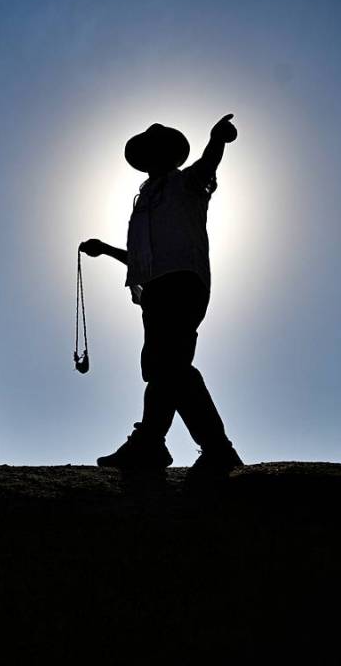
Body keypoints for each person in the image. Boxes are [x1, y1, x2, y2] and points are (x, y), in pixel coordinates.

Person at [80, 116, 243, 476]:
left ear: (170, 156)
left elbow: (207, 165)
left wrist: (217, 140)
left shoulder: (186, 184)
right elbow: (142, 259)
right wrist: (105, 249)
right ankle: (172, 445)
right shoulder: (144, 203)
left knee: (168, 365)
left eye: (159, 151)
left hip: (183, 282)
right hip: (156, 289)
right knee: (166, 368)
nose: (154, 157)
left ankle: (166, 444)